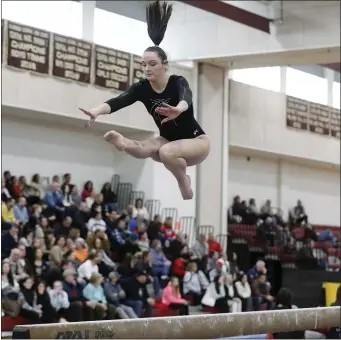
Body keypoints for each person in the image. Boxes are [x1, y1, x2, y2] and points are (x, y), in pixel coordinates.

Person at [79, 0, 210, 201]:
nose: (147, 68)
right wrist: (96, 110)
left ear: (164, 65)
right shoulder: (142, 88)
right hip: (168, 141)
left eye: (152, 64)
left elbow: (187, 96)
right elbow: (118, 101)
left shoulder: (177, 81)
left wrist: (179, 108)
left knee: (165, 152)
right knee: (147, 148)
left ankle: (183, 181)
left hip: (196, 142)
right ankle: (123, 144)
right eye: (144, 65)